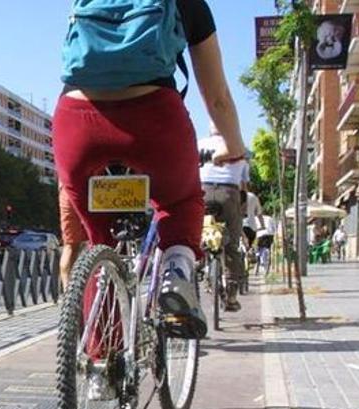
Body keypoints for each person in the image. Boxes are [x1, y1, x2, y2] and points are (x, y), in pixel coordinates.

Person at [55, 0, 248, 338]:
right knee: (182, 202)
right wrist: (234, 147)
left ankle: (100, 367)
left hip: (76, 121)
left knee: (100, 243)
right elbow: (217, 96)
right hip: (152, 118)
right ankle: (175, 273)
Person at [197, 124, 250, 311]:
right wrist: (241, 209)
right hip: (229, 193)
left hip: (203, 191)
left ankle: (199, 268)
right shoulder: (238, 147)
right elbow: (244, 185)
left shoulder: (201, 143)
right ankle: (232, 296)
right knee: (232, 246)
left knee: (198, 234)